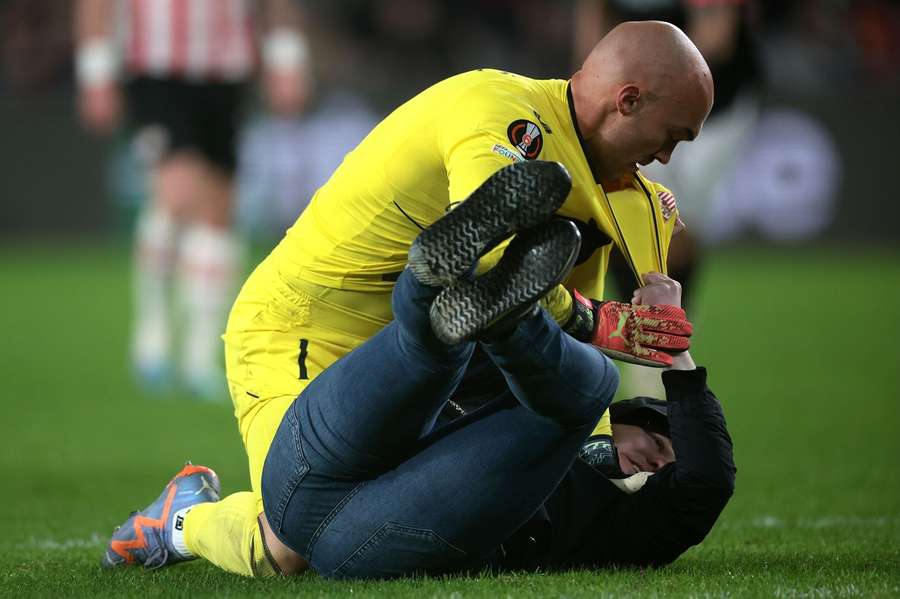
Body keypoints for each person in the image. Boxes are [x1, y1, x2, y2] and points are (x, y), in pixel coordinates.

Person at [101, 20, 714, 577]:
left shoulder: (613, 191)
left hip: (424, 357)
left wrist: (598, 437)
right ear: (627, 101)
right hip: (302, 329)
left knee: (376, 516)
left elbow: (558, 325)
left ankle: (428, 323)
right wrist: (596, 322)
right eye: (672, 136)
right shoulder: (499, 109)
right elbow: (496, 266)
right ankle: (182, 521)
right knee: (290, 544)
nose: (666, 156)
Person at [74, 0, 309, 398]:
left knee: (218, 213)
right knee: (177, 193)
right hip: (157, 68)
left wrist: (286, 59)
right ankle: (153, 337)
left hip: (226, 72)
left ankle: (200, 356)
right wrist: (95, 73)